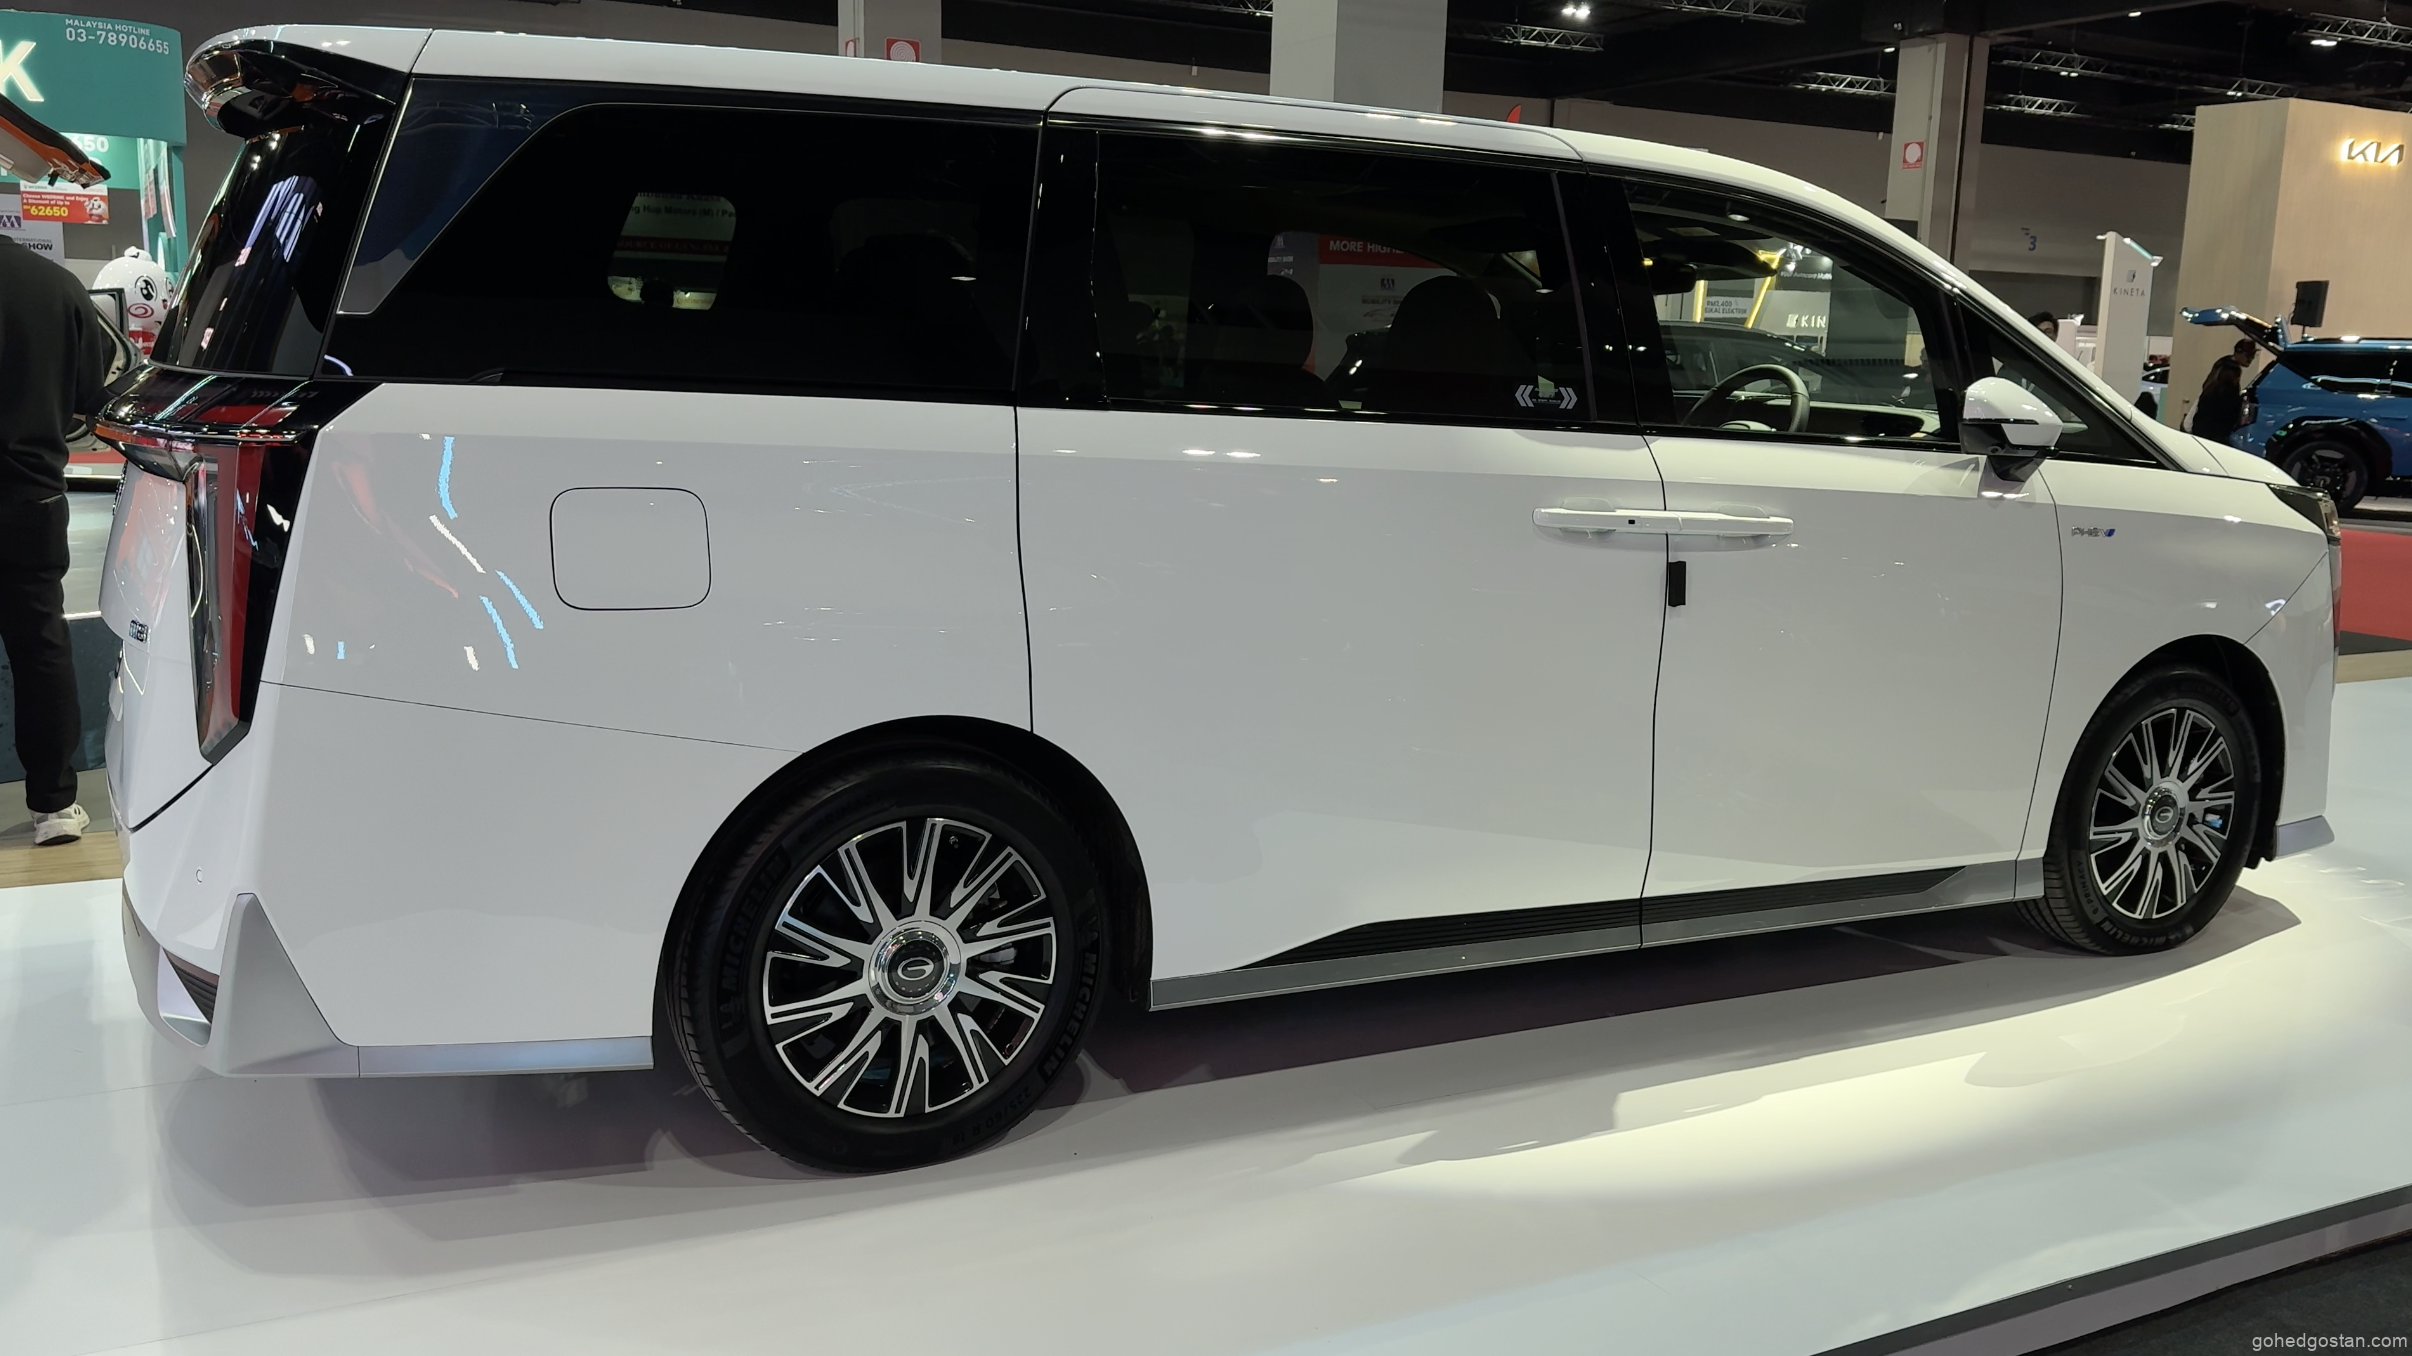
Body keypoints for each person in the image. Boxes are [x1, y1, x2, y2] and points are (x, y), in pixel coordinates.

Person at [0, 232, 115, 845]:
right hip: (32, 495)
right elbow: (88, 399)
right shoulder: (57, 285)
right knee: (40, 643)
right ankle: (54, 806)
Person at [2190, 338, 2257, 441]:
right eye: (2248, 355)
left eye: (2253, 355)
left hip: (2204, 422)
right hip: (2213, 427)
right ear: (2238, 352)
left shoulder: (2222, 365)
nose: (2250, 359)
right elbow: (2228, 403)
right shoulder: (2230, 371)